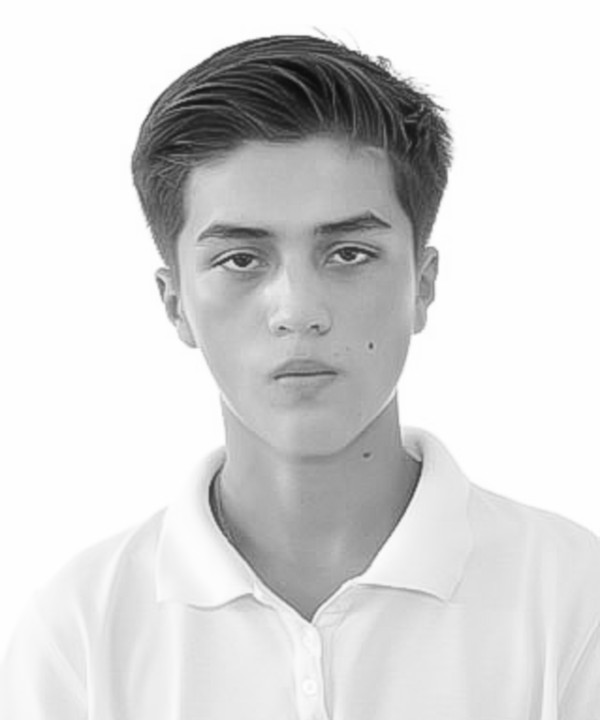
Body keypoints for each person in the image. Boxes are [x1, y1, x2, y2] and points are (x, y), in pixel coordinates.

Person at [1, 33, 598, 719]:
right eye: (240, 260)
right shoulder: (79, 635)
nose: (298, 311)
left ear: (423, 284)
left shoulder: (574, 602)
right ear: (175, 304)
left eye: (348, 253)